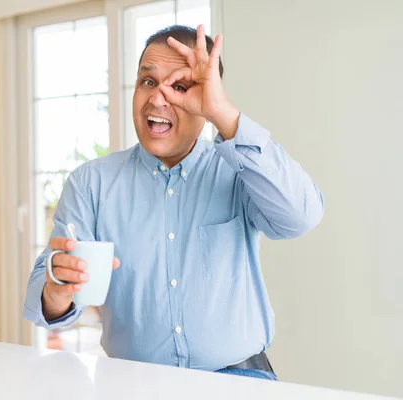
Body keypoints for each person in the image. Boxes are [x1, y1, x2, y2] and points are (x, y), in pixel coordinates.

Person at [23, 24, 324, 381]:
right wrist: (58, 288)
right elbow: (44, 301)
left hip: (239, 380)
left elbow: (301, 217)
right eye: (148, 82)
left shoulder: (239, 170)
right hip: (130, 381)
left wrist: (224, 115)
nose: (157, 98)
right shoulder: (92, 182)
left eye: (180, 87)